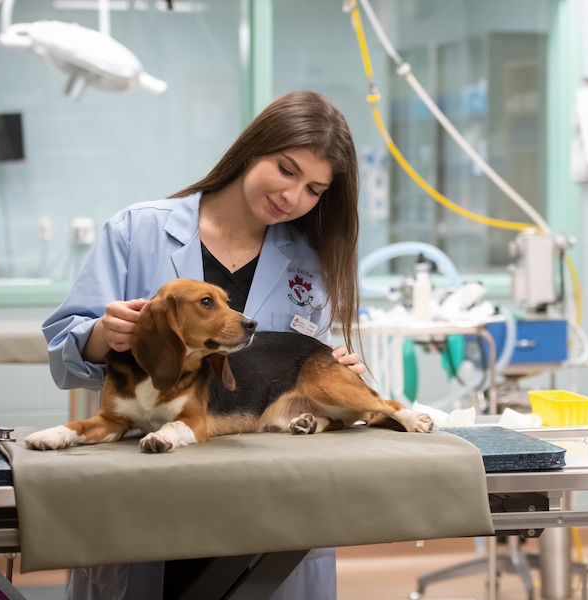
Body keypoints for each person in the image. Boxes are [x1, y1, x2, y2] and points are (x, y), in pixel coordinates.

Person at [42, 90, 363, 600]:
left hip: (263, 494)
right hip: (151, 490)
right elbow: (64, 355)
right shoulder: (137, 231)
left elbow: (295, 362)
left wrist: (332, 367)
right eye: (285, 169)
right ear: (253, 150)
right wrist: (103, 336)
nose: (293, 196)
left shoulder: (309, 262)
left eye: (314, 189)